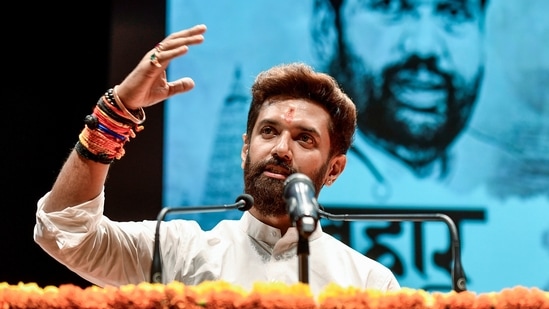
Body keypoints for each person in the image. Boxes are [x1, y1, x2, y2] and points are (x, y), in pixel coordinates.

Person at [33, 24, 400, 295]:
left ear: (334, 168)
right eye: (268, 131)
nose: (281, 149)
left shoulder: (368, 283)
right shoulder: (176, 251)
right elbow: (64, 232)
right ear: (245, 147)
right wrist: (115, 115)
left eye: (304, 138)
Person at [311, 0, 489, 196]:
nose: (424, 46)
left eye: (454, 12)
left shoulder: (504, 177)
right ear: (326, 27)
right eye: (389, 7)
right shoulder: (291, 169)